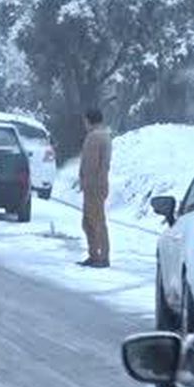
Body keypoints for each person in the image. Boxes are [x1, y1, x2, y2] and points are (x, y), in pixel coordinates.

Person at [78, 108, 112, 268]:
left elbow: (96, 164)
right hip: (94, 184)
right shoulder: (100, 135)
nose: (84, 124)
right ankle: (94, 254)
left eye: (85, 120)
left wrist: (91, 182)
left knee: (97, 221)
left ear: (89, 120)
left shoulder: (97, 137)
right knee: (88, 221)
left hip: (95, 186)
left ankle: (102, 257)